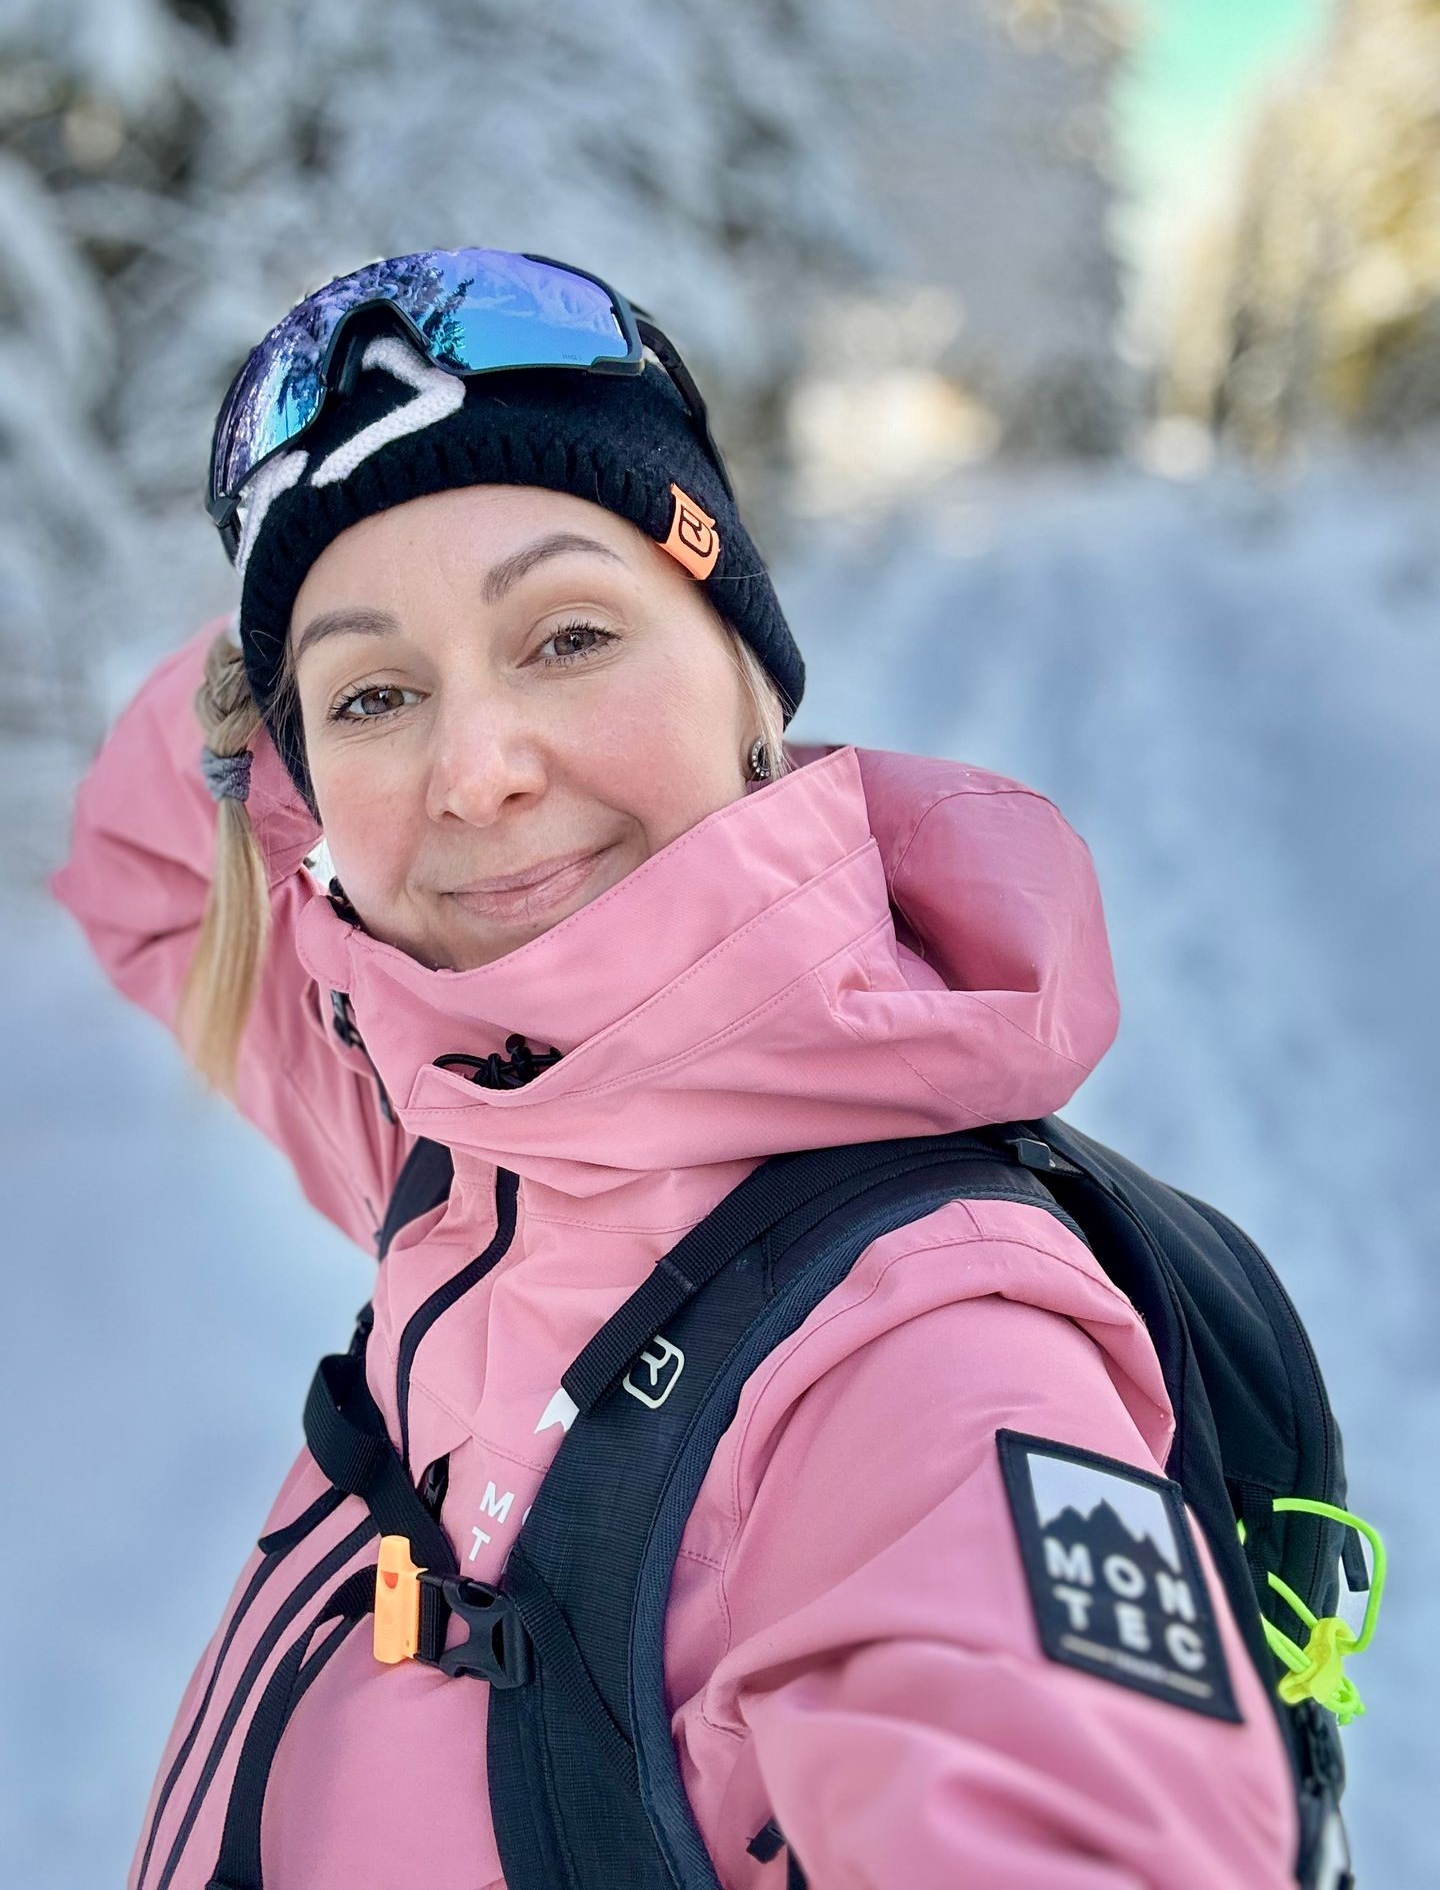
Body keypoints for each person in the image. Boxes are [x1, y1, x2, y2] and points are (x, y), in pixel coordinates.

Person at [50, 249, 1299, 1888]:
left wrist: (344, 633)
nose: (476, 770)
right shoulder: (463, 1125)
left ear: (748, 674)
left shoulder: (923, 1356)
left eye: (567, 636)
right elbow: (149, 869)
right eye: (375, 695)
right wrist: (269, 692)